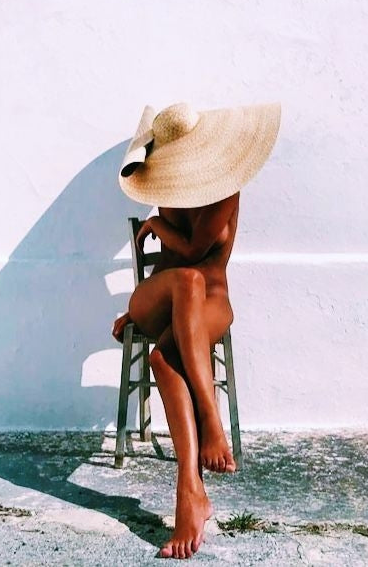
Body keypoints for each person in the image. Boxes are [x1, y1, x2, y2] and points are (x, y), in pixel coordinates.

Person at [112, 101, 281, 560]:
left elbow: (190, 247)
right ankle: (211, 416)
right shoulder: (173, 187)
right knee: (184, 280)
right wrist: (157, 223)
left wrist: (155, 225)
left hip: (210, 303)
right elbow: (176, 264)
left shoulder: (226, 188)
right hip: (164, 297)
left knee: (163, 359)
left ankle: (190, 490)